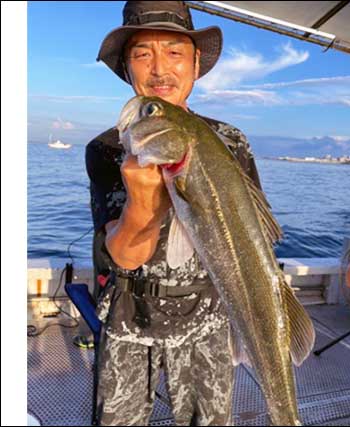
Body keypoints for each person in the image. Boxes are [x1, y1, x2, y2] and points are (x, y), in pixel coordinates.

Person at [85, 1, 262, 425]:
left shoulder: (231, 141)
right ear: (127, 69)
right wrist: (143, 200)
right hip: (131, 318)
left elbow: (257, 236)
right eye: (143, 54)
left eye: (175, 52)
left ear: (197, 64)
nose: (160, 69)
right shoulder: (108, 148)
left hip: (210, 318)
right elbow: (126, 256)